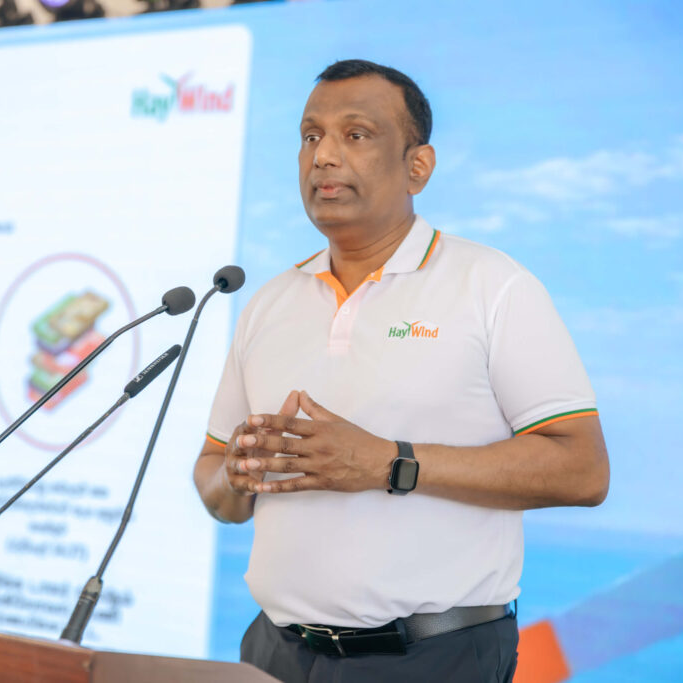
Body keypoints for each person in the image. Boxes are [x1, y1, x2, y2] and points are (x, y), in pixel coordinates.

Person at [193, 59, 609, 683]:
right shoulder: (269, 304)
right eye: (310, 136)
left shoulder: (491, 285)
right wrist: (235, 475)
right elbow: (215, 484)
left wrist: (390, 463)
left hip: (432, 657)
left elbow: (583, 470)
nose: (323, 156)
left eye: (355, 134)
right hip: (275, 651)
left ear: (418, 166)